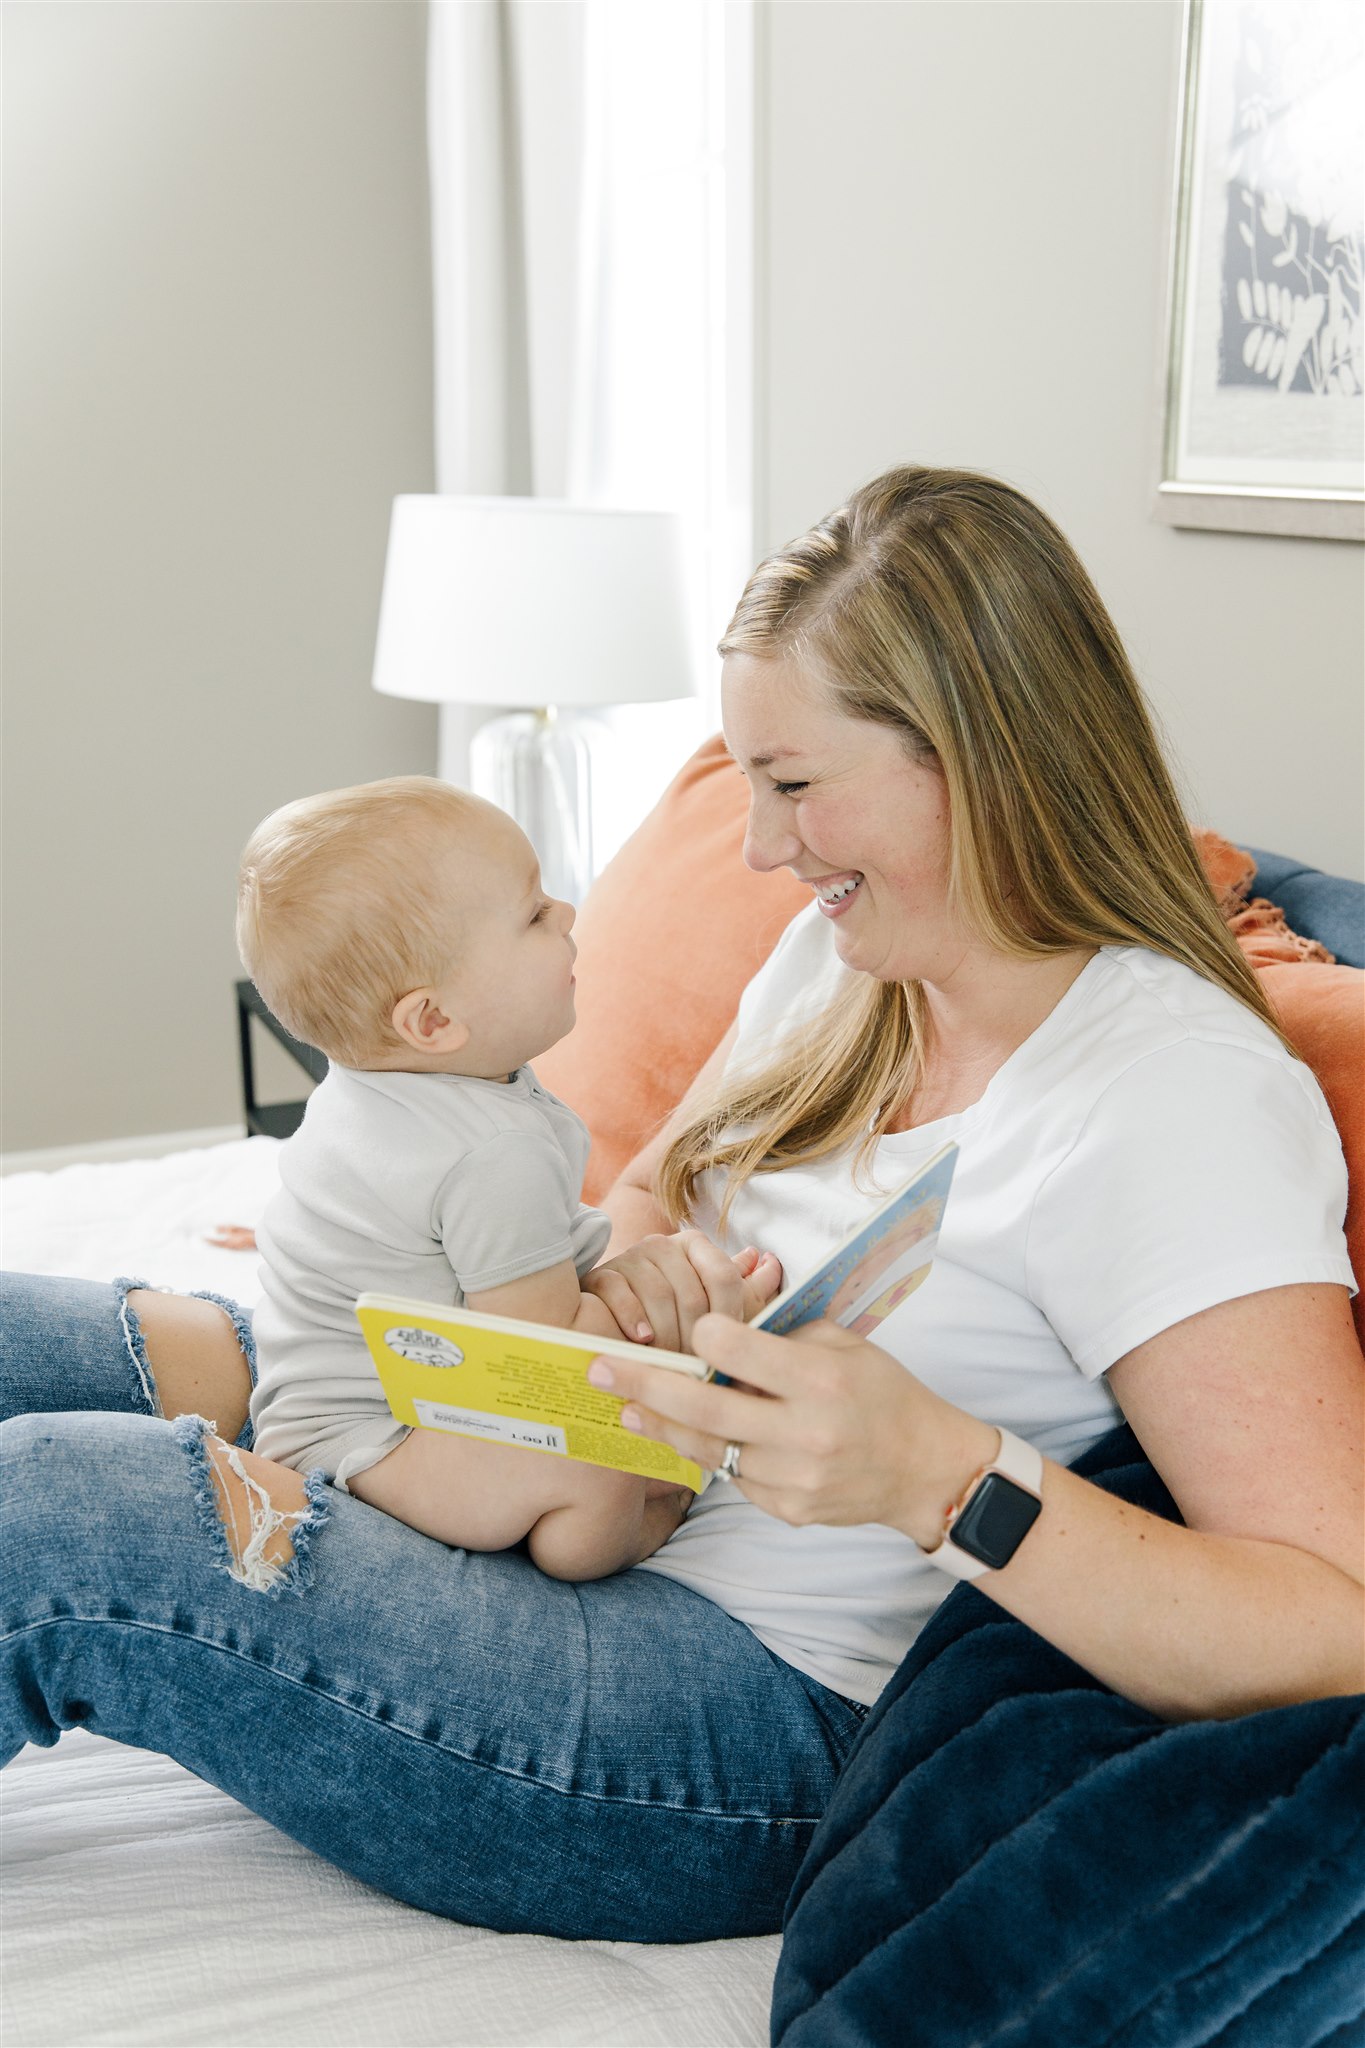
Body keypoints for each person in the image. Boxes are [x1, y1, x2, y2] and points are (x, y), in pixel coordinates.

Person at [2, 468, 1360, 1962]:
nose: (762, 847)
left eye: (792, 783)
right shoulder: (844, 960)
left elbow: (1327, 1618)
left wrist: (936, 1475)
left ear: (978, 758)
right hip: (566, 1465)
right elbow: (649, 1188)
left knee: (56, 1510)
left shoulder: (1174, 1099)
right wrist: (647, 1271)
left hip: (741, 1704)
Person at [233, 776, 770, 1581]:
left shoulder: (376, 1082)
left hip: (310, 1414)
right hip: (382, 1442)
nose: (570, 914)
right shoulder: (490, 1154)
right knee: (593, 1457)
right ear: (433, 1021)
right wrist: (706, 1321)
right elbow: (547, 1360)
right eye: (533, 913)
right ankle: (623, 1538)